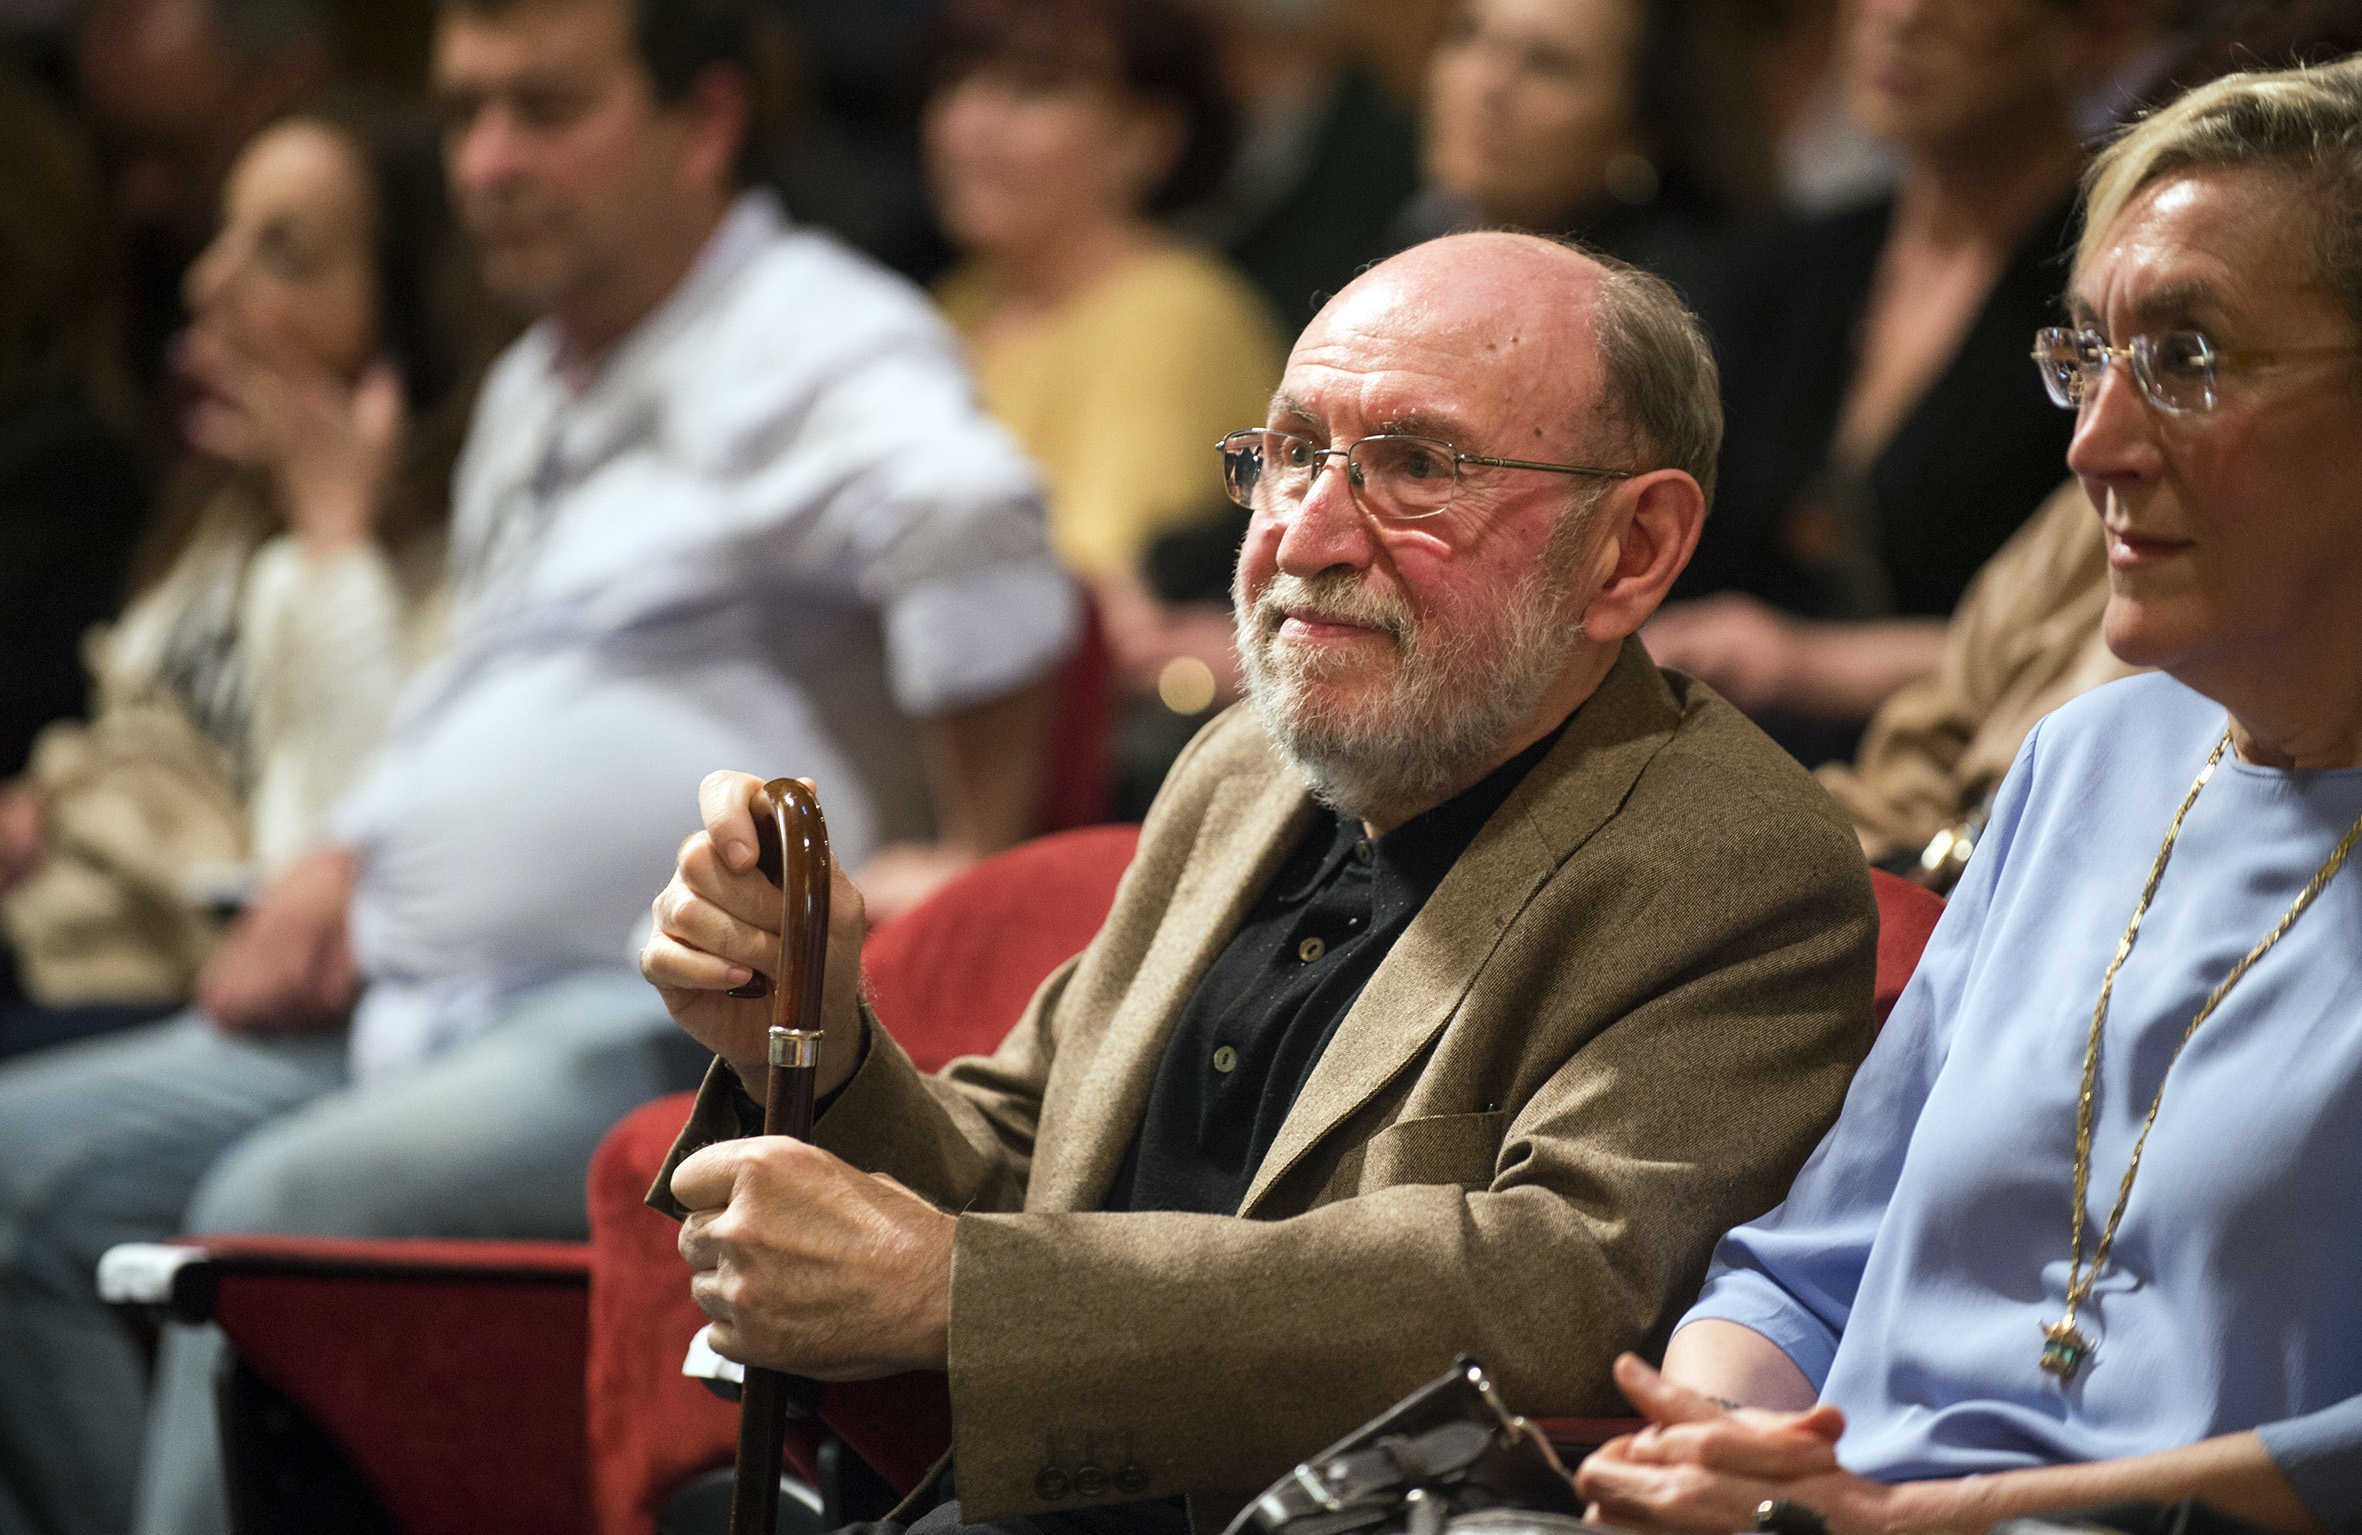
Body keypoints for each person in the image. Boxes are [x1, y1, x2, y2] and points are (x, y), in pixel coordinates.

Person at [0, 0, 1075, 1531]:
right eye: (466, 113)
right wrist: (352, 850)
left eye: (545, 110)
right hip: (410, 998)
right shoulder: (537, 376)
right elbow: (492, 679)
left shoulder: (814, 330)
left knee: (272, 1209)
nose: (489, 161)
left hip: (649, 1013)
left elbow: (974, 519)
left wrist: (975, 838)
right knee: (13, 1166)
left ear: (701, 124)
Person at [641, 229, 1880, 1531]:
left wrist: (959, 1290)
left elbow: (1557, 1293)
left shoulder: (1734, 862)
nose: (1304, 535)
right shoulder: (1243, 767)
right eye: (1290, 453)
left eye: (1417, 466)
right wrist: (812, 1034)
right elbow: (1020, 1162)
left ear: (1629, 548)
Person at [1574, 52, 2362, 1535]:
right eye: (2088, 360)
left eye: (2186, 358)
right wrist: (1718, 1448)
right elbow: (1804, 1267)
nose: (2092, 445)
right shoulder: (2085, 757)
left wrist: (1903, 1517)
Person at [0, 97, 482, 1051]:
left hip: (203, 994)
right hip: (56, 938)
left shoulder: (447, 557)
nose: (209, 283)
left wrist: (335, 537)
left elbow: (347, 852)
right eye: (224, 234)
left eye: (283, 254)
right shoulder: (221, 507)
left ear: (402, 308)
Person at [1647, 0, 2101, 761]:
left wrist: (1807, 664)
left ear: (2083, 23)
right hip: (1733, 756)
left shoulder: (2116, 292)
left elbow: (2101, 623)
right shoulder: (1796, 262)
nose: (1899, 15)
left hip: (1984, 773)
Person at [924, 0, 1286, 591]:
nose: (966, 124)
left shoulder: (1176, 312)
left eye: (1032, 90)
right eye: (956, 82)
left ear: (1146, 137)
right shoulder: (952, 302)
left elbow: (1097, 585)